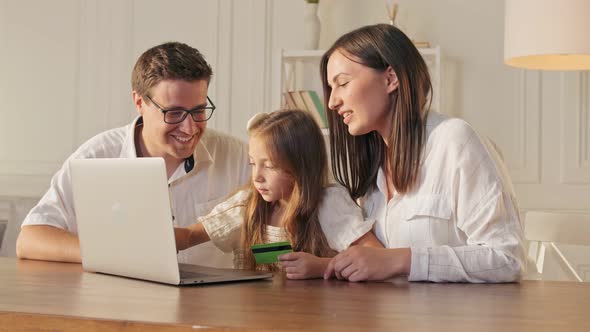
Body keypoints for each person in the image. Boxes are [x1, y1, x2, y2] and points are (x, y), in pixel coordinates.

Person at [320, 24, 525, 283]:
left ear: (390, 79)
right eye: (331, 88)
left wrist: (401, 259)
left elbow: (507, 259)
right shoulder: (374, 171)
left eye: (343, 83)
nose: (332, 102)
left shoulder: (455, 142)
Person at [16, 42, 250, 268]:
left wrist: (281, 257)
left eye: (198, 111)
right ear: (139, 102)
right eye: (175, 112)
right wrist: (118, 255)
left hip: (213, 306)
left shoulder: (240, 158)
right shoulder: (96, 157)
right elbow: (30, 240)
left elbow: (268, 240)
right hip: (120, 305)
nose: (190, 128)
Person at [174, 110, 381, 279]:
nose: (257, 177)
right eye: (253, 163)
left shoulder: (329, 204)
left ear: (301, 166)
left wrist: (322, 266)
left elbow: (375, 257)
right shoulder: (249, 205)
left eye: (270, 166)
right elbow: (190, 236)